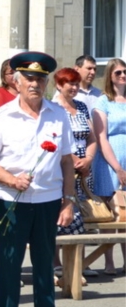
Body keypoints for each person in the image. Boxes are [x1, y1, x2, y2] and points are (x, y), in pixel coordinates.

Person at [0, 51, 76, 307]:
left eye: (40, 79)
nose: (35, 84)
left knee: (44, 266)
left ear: (47, 83)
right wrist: (11, 180)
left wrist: (68, 201)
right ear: (16, 81)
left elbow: (67, 161)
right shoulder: (1, 117)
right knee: (9, 266)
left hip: (48, 201)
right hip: (11, 202)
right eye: (29, 79)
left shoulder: (58, 114)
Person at [51, 67, 98, 282]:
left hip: (82, 172)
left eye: (76, 83)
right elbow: (53, 140)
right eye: (70, 83)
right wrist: (71, 160)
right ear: (59, 85)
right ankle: (56, 264)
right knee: (59, 215)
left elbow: (92, 138)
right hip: (61, 169)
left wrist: (87, 159)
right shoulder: (52, 108)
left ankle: (77, 263)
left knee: (78, 217)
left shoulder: (81, 107)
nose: (75, 87)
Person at [91, 58, 126, 275]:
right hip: (110, 159)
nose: (123, 76)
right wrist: (118, 168)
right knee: (114, 212)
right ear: (110, 76)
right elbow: (102, 137)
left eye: (125, 72)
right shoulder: (103, 102)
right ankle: (109, 261)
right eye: (118, 73)